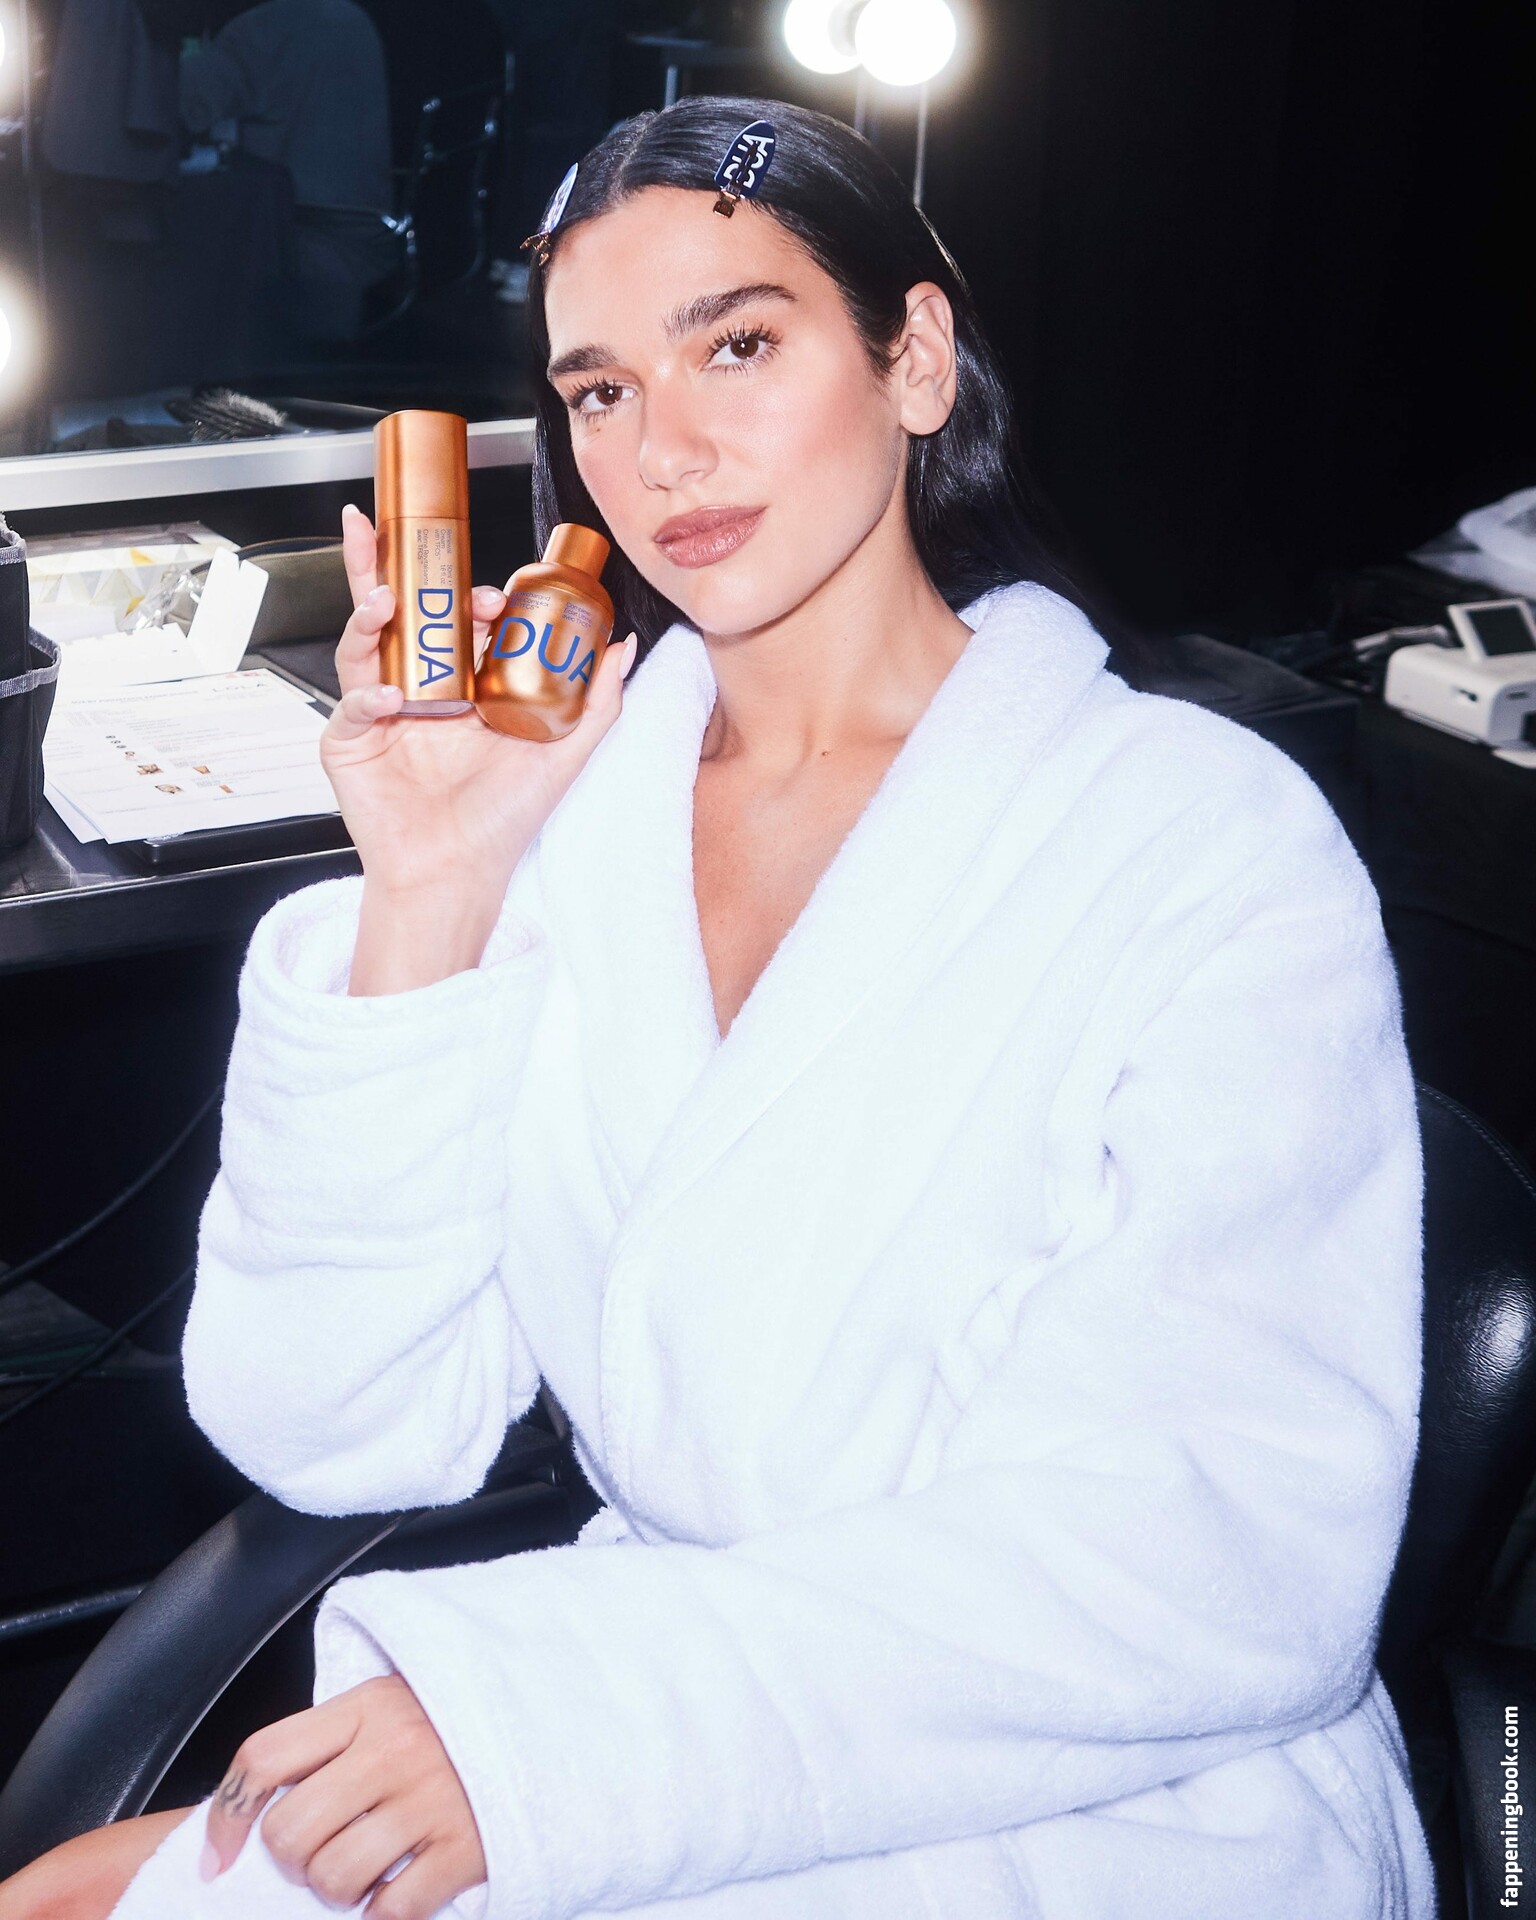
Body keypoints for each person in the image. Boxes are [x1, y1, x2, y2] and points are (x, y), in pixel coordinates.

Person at [0, 96, 1436, 1920]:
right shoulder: (577, 827)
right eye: (599, 390)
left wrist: (558, 1738)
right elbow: (335, 1430)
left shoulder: (1201, 848)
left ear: (914, 361)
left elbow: (1216, 1560)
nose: (663, 450)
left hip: (1119, 1791)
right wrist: (431, 891)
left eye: (738, 346)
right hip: (688, 1716)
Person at [179, 0, 397, 343]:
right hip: (365, 241)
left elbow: (184, 103)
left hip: (300, 249)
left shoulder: (266, 28)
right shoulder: (352, 16)